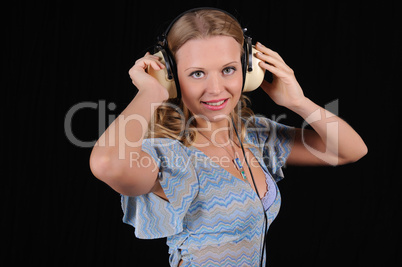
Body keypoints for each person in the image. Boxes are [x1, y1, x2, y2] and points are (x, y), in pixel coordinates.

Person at [89, 8, 367, 267]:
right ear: (171, 78)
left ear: (249, 70)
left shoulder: (255, 135)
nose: (216, 89)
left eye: (228, 69)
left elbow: (348, 151)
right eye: (197, 73)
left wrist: (298, 101)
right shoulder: (168, 154)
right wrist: (151, 93)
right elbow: (107, 164)